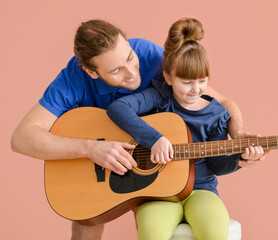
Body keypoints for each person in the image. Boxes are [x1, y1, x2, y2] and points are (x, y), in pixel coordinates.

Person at [10, 19, 259, 239]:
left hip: (162, 173)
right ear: (90, 71)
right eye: (116, 70)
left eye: (129, 57)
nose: (132, 73)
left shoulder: (152, 55)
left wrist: (237, 138)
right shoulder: (72, 80)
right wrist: (91, 149)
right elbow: (22, 138)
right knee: (85, 217)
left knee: (156, 216)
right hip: (101, 170)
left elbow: (222, 103)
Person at [107, 18, 264, 240]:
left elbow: (216, 165)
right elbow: (118, 108)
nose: (195, 89)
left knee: (214, 232)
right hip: (159, 194)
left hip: (201, 190)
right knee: (152, 232)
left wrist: (240, 160)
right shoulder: (159, 96)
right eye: (186, 82)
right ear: (168, 77)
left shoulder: (216, 113)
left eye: (202, 81)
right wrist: (155, 139)